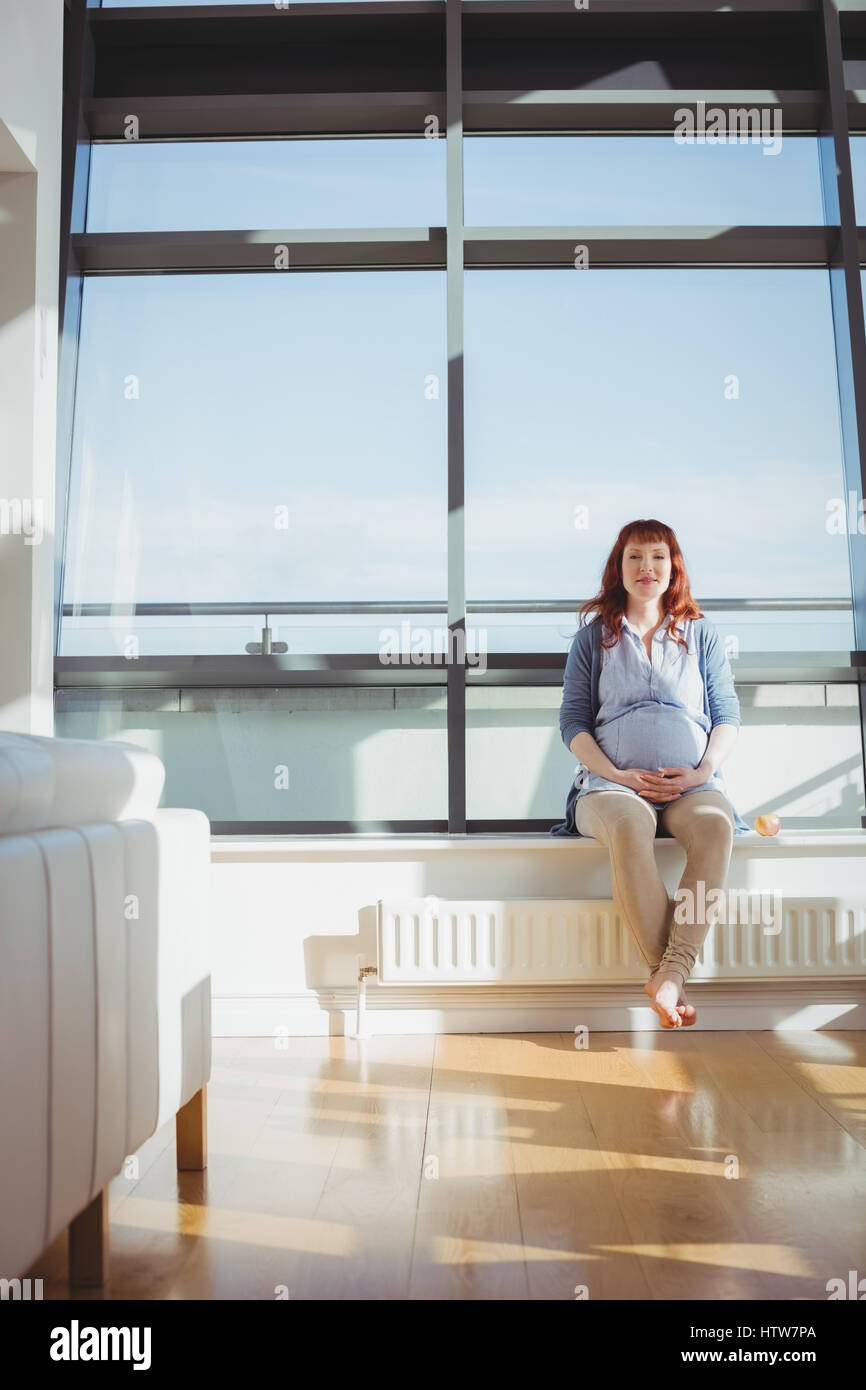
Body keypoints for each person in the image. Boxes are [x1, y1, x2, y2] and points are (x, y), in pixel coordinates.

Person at [551, 519, 751, 1029]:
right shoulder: (593, 639)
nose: (647, 567)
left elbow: (726, 715)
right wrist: (618, 775)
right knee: (627, 826)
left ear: (673, 566)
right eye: (635, 556)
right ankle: (667, 974)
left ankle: (668, 978)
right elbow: (573, 723)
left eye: (658, 556)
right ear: (618, 569)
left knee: (716, 826)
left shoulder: (702, 635)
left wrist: (699, 772)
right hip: (610, 786)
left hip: (692, 785)